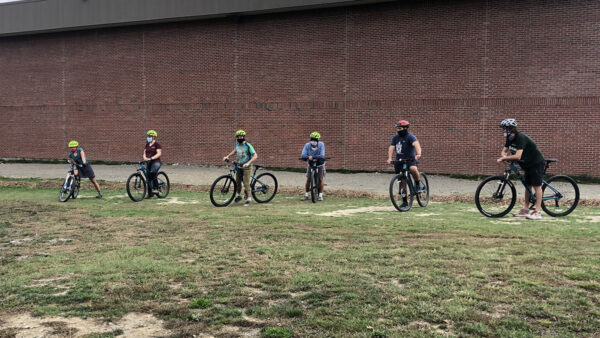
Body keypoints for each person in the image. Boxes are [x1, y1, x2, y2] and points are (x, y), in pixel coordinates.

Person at [497, 118, 545, 220]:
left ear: (510, 129)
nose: (503, 131)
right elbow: (504, 151)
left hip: (536, 162)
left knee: (537, 185)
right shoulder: (509, 139)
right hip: (526, 163)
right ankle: (526, 210)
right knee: (528, 185)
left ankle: (538, 212)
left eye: (504, 128)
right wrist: (504, 156)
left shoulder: (520, 137)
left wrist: (504, 158)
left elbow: (518, 156)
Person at [386, 120, 423, 208]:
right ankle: (404, 201)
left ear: (405, 128)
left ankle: (417, 184)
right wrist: (390, 158)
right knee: (402, 181)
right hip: (400, 161)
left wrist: (418, 154)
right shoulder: (395, 137)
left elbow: (417, 145)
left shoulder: (410, 136)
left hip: (410, 159)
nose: (398, 130)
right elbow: (391, 148)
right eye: (397, 128)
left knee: (413, 169)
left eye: (400, 128)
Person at [223, 130, 257, 206]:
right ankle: (238, 196)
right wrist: (227, 156)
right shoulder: (237, 145)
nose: (240, 138)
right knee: (238, 182)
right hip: (239, 166)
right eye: (238, 137)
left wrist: (248, 163)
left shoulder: (248, 146)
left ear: (244, 137)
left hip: (247, 167)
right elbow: (234, 151)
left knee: (246, 183)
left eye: (241, 137)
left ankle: (249, 199)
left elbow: (255, 156)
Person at [300, 131, 326, 201]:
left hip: (320, 163)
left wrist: (313, 156)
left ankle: (320, 195)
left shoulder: (321, 145)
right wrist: (309, 157)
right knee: (308, 179)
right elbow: (303, 155)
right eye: (312, 140)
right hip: (311, 163)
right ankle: (306, 195)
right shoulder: (307, 145)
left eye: (315, 140)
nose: (313, 141)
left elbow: (322, 155)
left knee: (321, 179)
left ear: (318, 141)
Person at [143, 130, 162, 198]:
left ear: (154, 137)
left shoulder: (157, 144)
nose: (148, 137)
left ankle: (156, 188)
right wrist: (145, 158)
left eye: (150, 136)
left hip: (156, 162)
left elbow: (159, 153)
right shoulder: (147, 144)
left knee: (153, 173)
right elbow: (144, 153)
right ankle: (150, 194)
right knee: (148, 177)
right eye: (148, 136)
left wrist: (151, 158)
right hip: (148, 162)